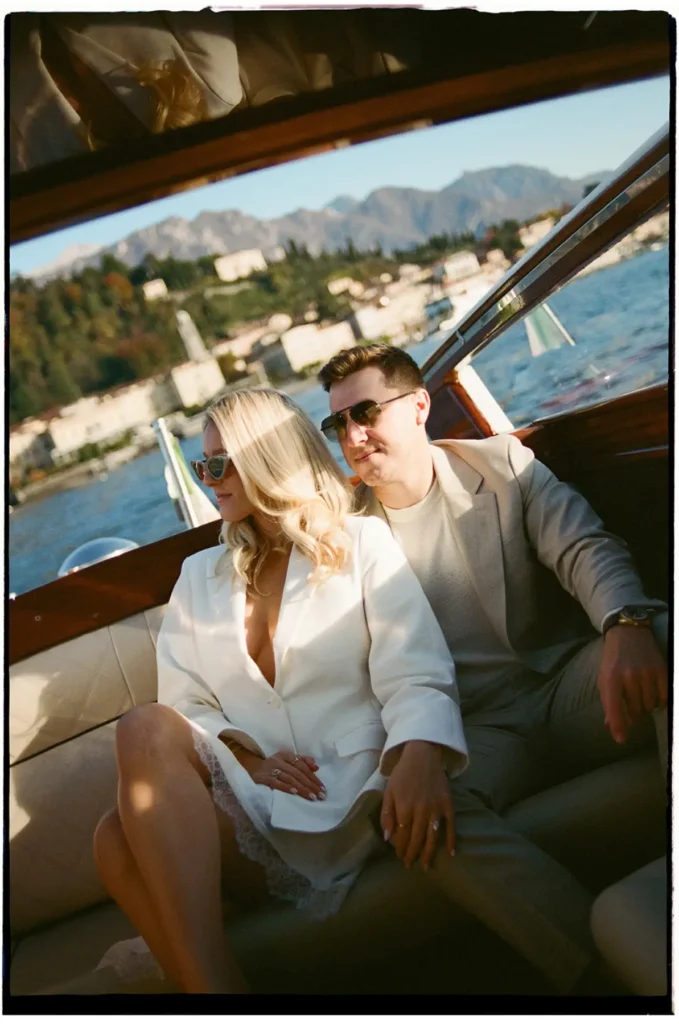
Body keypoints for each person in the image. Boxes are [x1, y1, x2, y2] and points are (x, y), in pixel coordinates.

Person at [318, 342, 668, 995]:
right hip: (470, 735)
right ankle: (599, 975)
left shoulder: (501, 465)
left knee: (666, 634)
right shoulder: (340, 539)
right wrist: (413, 748)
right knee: (394, 808)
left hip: (564, 685)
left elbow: (583, 549)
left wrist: (624, 622)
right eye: (337, 422)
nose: (352, 434)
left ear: (419, 405)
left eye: (365, 411)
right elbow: (354, 677)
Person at [92, 386, 468, 995]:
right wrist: (247, 759)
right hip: (257, 795)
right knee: (112, 836)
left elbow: (416, 670)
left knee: (137, 743)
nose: (208, 478)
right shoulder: (198, 576)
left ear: (268, 457)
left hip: (347, 791)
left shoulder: (360, 545)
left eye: (221, 462)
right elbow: (186, 705)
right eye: (201, 464)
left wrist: (420, 755)